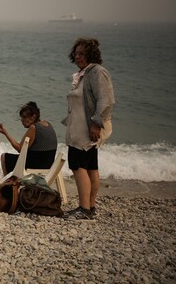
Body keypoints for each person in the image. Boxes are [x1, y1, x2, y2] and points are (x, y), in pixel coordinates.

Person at [63, 37, 115, 221]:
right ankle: (90, 207)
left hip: (86, 129)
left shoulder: (97, 72)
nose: (78, 57)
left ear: (92, 54)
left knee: (79, 166)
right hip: (80, 128)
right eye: (76, 53)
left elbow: (106, 99)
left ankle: (84, 209)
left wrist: (95, 124)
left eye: (82, 53)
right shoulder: (84, 73)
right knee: (91, 166)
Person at [0, 101, 57, 176]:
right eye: (21, 117)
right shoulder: (48, 125)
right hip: (48, 167)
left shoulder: (34, 128)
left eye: (24, 117)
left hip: (35, 167)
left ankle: (9, 185)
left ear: (33, 117)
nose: (22, 120)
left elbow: (20, 149)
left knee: (4, 157)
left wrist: (5, 133)